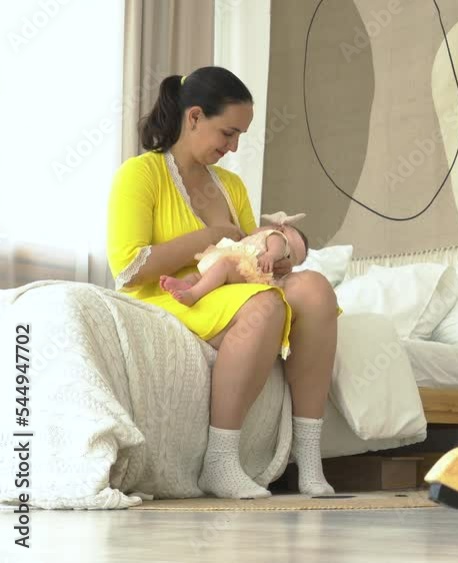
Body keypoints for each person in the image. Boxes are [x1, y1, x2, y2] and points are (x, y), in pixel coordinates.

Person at [106, 67, 339, 499]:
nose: (233, 148)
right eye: (228, 133)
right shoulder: (140, 174)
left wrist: (276, 254)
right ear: (194, 117)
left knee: (315, 289)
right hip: (170, 295)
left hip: (227, 289)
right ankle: (220, 462)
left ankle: (309, 459)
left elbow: (246, 256)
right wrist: (211, 236)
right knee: (265, 306)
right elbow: (130, 268)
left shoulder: (230, 185)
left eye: (239, 137)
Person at [160, 219, 309, 314]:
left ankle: (193, 294)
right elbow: (254, 232)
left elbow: (278, 246)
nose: (287, 256)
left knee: (225, 266)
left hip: (250, 269)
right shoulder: (264, 234)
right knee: (201, 275)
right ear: (280, 227)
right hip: (235, 261)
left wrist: (271, 255)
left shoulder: (278, 239)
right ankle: (186, 284)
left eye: (291, 257)